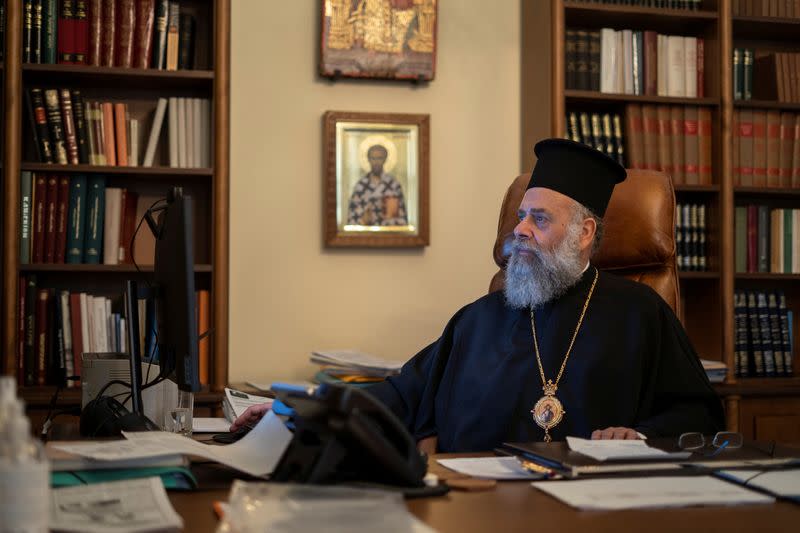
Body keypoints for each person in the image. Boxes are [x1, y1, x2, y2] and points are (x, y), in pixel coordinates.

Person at [233, 138, 724, 452]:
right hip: (479, 509)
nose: (521, 231)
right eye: (520, 216)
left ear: (584, 233)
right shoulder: (478, 320)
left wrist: (636, 436)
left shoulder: (640, 313)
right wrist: (293, 410)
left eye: (540, 219)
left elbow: (697, 412)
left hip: (597, 513)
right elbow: (399, 395)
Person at [346, 144, 408, 226]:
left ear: (385, 159)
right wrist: (363, 220)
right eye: (373, 158)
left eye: (379, 158)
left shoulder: (393, 185)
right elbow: (352, 217)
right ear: (368, 159)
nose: (376, 162)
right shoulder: (361, 186)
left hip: (388, 235)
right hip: (365, 235)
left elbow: (401, 218)